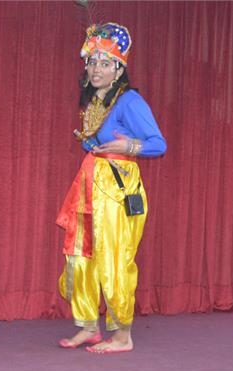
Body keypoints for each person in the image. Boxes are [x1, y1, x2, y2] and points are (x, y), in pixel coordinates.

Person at [56, 23, 166, 354]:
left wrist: (127, 146)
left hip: (117, 190)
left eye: (105, 63)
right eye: (92, 62)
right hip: (91, 183)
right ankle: (88, 326)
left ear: (119, 69)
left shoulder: (130, 101)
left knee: (113, 257)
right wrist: (90, 142)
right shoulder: (96, 99)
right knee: (81, 255)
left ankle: (122, 335)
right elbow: (93, 140)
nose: (96, 69)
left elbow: (158, 143)